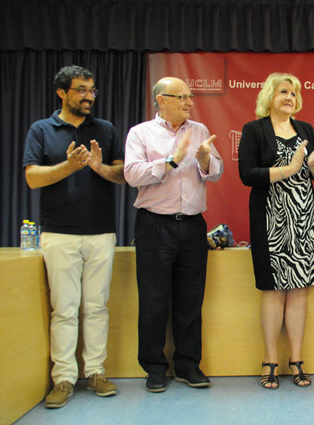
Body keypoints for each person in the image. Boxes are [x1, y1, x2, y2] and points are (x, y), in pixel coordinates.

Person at [23, 65, 125, 408]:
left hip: (101, 233)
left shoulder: (105, 129)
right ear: (62, 93)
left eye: (92, 90)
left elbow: (123, 174)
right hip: (59, 233)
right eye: (81, 90)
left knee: (97, 307)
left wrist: (99, 168)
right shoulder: (41, 130)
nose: (89, 96)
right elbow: (33, 178)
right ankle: (63, 378)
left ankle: (95, 371)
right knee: (64, 310)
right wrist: (68, 167)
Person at [124, 77, 224, 393]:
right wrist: (170, 162)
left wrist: (206, 159)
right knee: (153, 300)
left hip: (193, 226)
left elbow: (217, 171)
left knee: (190, 300)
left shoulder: (200, 131)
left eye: (188, 96)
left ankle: (187, 364)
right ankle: (154, 368)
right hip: (155, 225)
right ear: (161, 99)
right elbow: (131, 174)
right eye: (180, 96)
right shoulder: (140, 133)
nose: (188, 102)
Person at [238, 72, 314, 389]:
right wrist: (290, 168)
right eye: (283, 92)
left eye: (294, 93)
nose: (290, 97)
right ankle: (270, 360)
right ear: (269, 96)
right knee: (274, 291)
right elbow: (247, 174)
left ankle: (297, 360)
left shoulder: (306, 130)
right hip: (270, 222)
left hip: (303, 221)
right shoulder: (254, 130)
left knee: (300, 290)